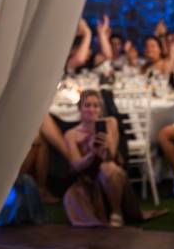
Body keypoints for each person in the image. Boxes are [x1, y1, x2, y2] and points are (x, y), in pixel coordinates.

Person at [61, 90, 142, 227]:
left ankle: (117, 212)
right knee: (73, 195)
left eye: (95, 105)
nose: (91, 109)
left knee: (107, 168)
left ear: (101, 109)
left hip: (111, 173)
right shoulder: (72, 134)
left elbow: (111, 156)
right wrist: (92, 154)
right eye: (87, 105)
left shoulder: (110, 123)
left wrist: (105, 145)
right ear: (79, 108)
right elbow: (76, 165)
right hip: (87, 179)